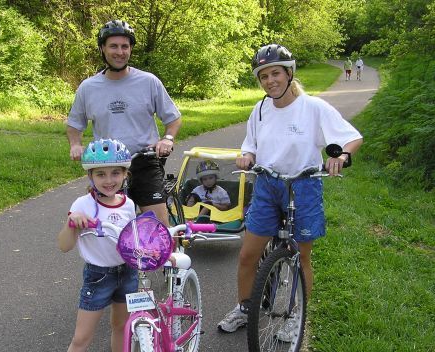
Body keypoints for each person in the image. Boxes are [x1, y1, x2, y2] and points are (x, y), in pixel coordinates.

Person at [217, 44, 363, 333]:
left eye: (276, 74)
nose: (270, 81)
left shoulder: (313, 107)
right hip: (268, 185)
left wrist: (341, 156)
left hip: (304, 185)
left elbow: (352, 138)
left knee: (301, 256)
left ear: (289, 73)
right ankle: (245, 307)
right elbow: (251, 145)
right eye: (264, 76)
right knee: (248, 254)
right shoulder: (260, 109)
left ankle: (298, 315)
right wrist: (247, 156)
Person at [34, 139, 138, 352]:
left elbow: (132, 240)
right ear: (90, 176)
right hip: (98, 277)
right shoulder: (82, 204)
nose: (109, 180)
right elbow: (64, 246)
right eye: (100, 174)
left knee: (121, 327)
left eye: (115, 173)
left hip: (127, 273)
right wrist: (73, 222)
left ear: (125, 174)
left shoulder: (129, 204)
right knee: (82, 338)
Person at [67, 20, 182, 226]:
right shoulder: (88, 87)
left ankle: (167, 257)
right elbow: (75, 124)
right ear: (103, 49)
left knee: (158, 227)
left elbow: (173, 118)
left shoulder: (148, 81)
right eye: (113, 46)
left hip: (145, 160)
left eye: (124, 46)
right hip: (107, 166)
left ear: (130, 49)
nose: (119, 52)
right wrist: (75, 144)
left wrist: (167, 138)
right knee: (108, 226)